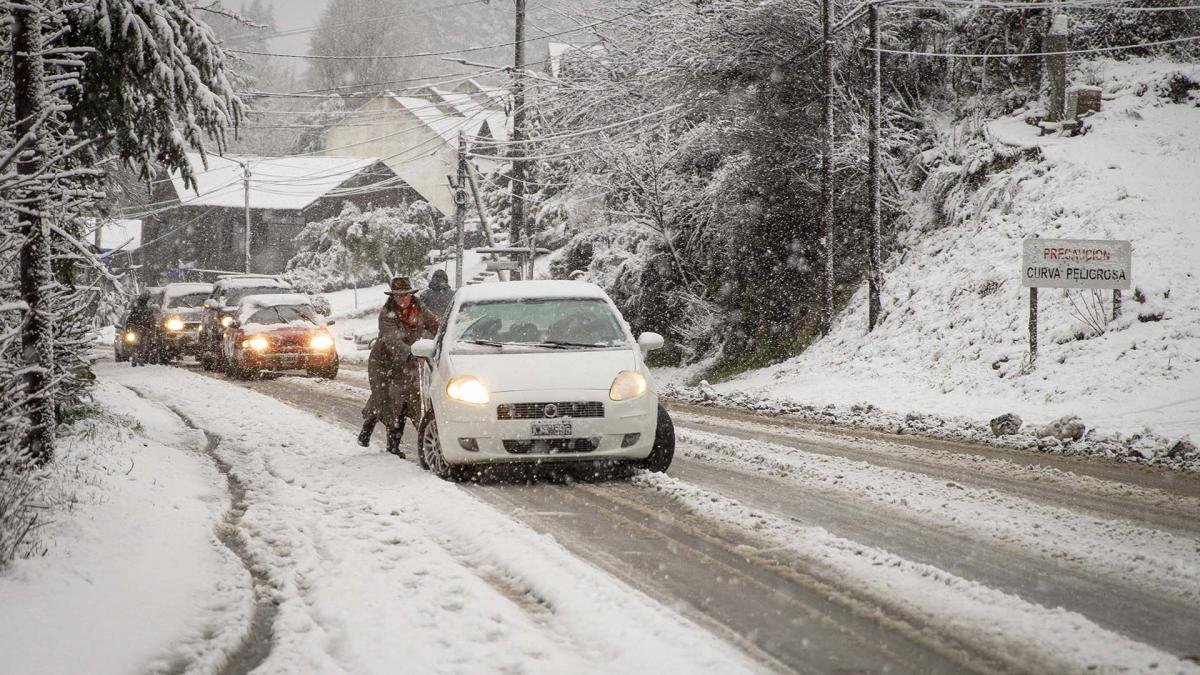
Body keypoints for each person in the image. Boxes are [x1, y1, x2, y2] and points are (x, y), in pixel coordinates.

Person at [358, 277, 440, 456]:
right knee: (385, 398)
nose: (402, 299)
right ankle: (373, 431)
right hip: (383, 362)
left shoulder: (419, 309)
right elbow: (392, 340)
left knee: (409, 400)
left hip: (407, 360)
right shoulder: (387, 314)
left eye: (405, 295)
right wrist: (411, 353)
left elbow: (436, 325)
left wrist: (444, 339)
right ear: (393, 297)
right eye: (398, 296)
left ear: (411, 294)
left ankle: (392, 444)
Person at [124, 292, 158, 367]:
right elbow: (152, 322)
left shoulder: (135, 310)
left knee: (135, 345)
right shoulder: (147, 311)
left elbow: (129, 321)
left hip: (136, 330)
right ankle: (140, 359)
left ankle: (135, 358)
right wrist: (151, 331)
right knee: (142, 345)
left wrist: (128, 329)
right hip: (144, 331)